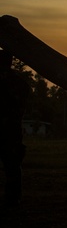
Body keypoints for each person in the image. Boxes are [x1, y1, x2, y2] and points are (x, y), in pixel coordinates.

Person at [1, 50, 31, 208]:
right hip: (11, 131)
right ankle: (13, 197)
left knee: (12, 165)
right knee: (12, 166)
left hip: (10, 130)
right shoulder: (20, 84)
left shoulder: (18, 84)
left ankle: (13, 198)